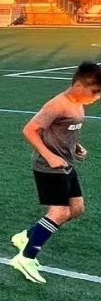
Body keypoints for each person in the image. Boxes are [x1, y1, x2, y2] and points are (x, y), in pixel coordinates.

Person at [9, 61, 101, 284]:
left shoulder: (78, 104)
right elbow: (30, 130)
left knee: (76, 209)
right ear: (79, 85)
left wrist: (75, 146)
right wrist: (50, 156)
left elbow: (65, 131)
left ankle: (27, 236)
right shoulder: (57, 105)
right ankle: (25, 258)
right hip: (48, 166)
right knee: (59, 212)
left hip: (66, 163)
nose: (97, 97)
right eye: (95, 92)